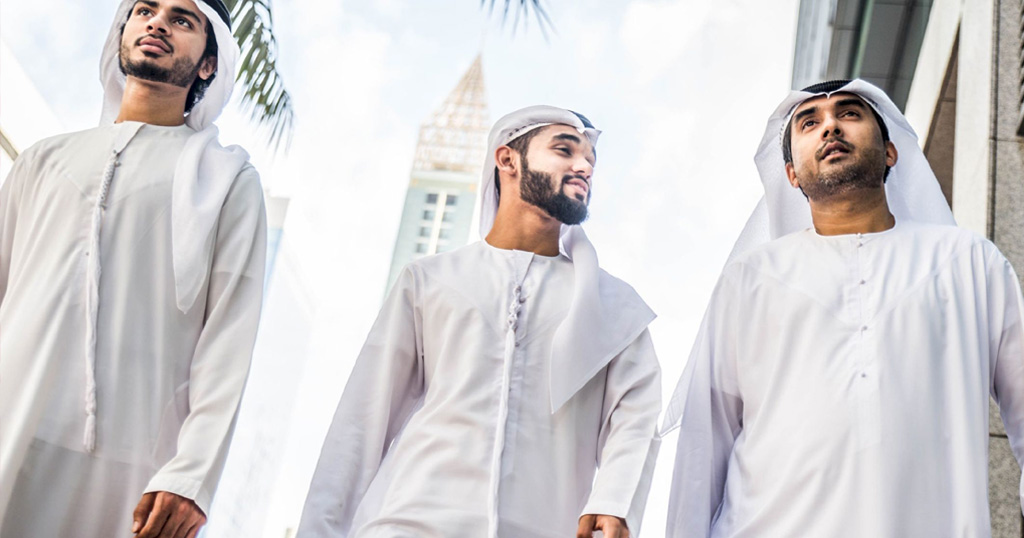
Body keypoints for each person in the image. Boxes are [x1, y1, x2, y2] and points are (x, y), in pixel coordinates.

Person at [661, 79, 1024, 537]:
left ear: (891, 152)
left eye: (849, 114)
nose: (830, 126)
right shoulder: (751, 279)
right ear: (791, 175)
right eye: (809, 123)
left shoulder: (969, 262)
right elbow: (703, 444)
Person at [298, 106, 661, 538]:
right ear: (507, 159)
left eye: (590, 161)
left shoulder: (614, 307)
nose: (583, 166)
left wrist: (614, 502)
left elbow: (635, 419)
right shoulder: (432, 279)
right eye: (564, 150)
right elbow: (361, 423)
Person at [0, 1, 266, 536]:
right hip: (10, 417)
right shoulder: (44, 160)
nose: (158, 23)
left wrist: (192, 474)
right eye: (145, 9)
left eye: (182, 19)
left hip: (127, 463)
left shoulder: (226, 180)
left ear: (209, 64)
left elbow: (229, 339)